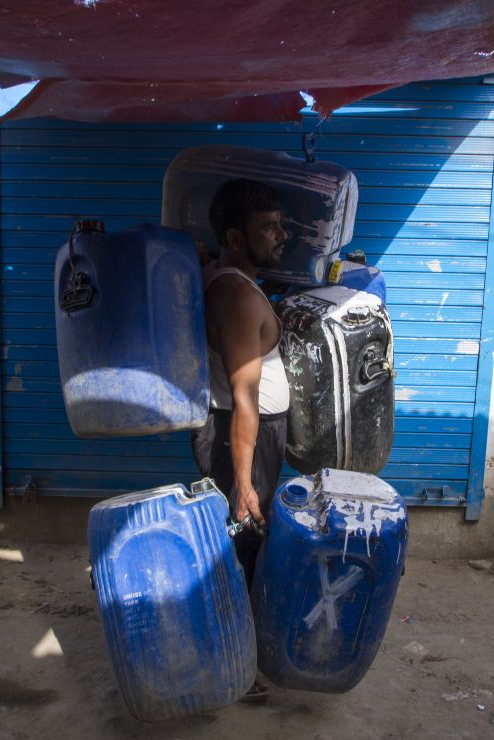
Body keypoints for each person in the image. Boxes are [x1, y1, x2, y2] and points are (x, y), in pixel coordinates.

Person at [191, 179, 290, 701]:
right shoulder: (236, 294)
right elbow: (245, 395)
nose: (282, 236)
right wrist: (246, 483)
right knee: (239, 550)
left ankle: (232, 658)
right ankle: (234, 668)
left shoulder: (224, 276)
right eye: (268, 227)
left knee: (239, 549)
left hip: (240, 434)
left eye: (281, 223)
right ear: (235, 235)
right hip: (242, 438)